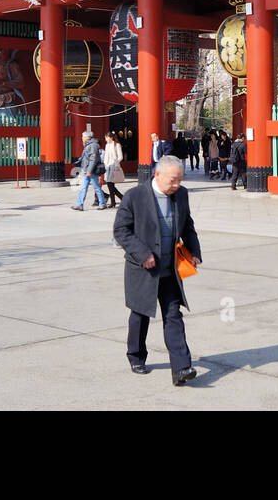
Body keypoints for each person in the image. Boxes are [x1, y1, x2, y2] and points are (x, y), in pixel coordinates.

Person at [113, 155, 202, 384]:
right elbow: (121, 231)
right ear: (158, 175)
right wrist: (143, 254)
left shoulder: (181, 195)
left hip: (170, 268)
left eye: (180, 180)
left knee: (173, 315)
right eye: (173, 180)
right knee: (140, 315)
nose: (177, 185)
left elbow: (187, 226)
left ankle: (182, 367)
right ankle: (136, 356)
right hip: (143, 269)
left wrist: (194, 252)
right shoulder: (135, 196)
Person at [71, 131, 107, 211]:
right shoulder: (88, 145)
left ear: (87, 138)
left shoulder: (92, 146)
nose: (82, 138)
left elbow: (93, 159)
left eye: (83, 137)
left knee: (96, 187)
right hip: (86, 170)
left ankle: (102, 203)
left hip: (91, 171)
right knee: (83, 187)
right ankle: (79, 204)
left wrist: (89, 170)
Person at [103, 131, 126, 207]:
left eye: (107, 138)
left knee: (110, 184)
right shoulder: (107, 145)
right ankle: (120, 199)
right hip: (108, 166)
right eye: (105, 138)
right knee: (110, 184)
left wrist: (115, 163)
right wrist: (105, 164)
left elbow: (120, 157)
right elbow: (106, 156)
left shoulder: (117, 145)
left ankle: (114, 201)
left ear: (111, 137)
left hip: (114, 166)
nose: (106, 139)